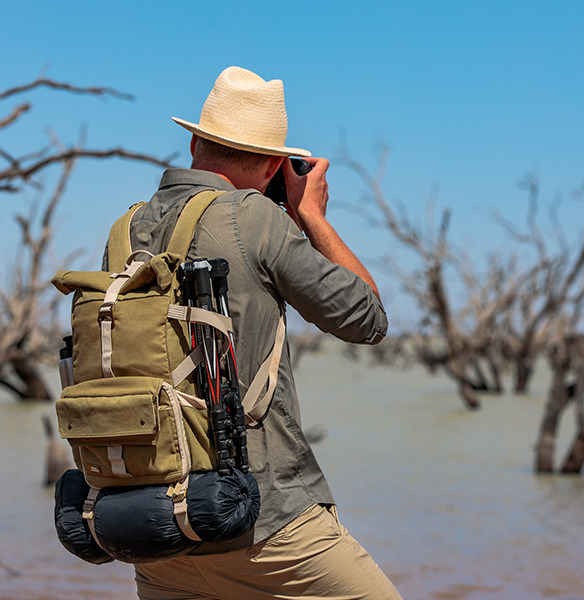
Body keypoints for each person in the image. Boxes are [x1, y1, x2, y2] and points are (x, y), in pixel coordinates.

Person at [118, 67, 403, 600]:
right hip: (263, 521)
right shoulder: (254, 218)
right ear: (277, 164)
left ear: (195, 141)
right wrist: (311, 216)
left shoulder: (128, 227)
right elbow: (367, 319)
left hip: (154, 524)